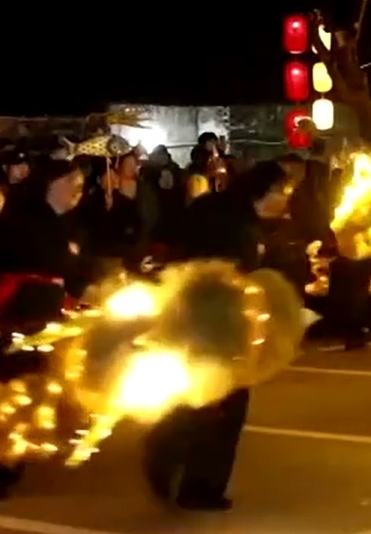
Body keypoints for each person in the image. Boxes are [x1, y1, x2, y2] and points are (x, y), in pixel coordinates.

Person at [142, 160, 292, 512]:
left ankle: (165, 453)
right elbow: (233, 278)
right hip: (221, 326)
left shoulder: (214, 207)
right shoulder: (239, 226)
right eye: (282, 193)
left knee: (194, 399)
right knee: (224, 409)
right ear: (264, 192)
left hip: (187, 317)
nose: (285, 200)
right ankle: (200, 486)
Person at [0, 159, 86, 498]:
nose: (80, 192)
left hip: (45, 316)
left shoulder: (64, 224)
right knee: (9, 394)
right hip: (17, 316)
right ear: (53, 183)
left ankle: (15, 458)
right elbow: (11, 264)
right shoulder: (24, 219)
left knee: (33, 393)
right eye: (74, 183)